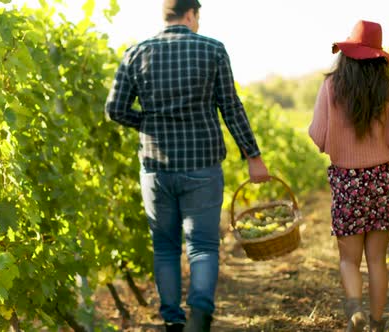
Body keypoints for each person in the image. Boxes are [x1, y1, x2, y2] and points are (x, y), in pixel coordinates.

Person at [105, 0, 270, 331]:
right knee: (203, 246)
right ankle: (199, 316)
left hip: (155, 167)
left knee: (165, 248)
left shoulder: (136, 53)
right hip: (202, 165)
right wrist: (253, 155)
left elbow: (114, 109)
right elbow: (231, 107)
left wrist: (149, 122)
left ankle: (172, 322)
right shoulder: (212, 49)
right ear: (191, 14)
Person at [308, 20, 389, 332]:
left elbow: (317, 136)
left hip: (347, 183)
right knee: (377, 260)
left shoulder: (332, 88)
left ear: (347, 54)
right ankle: (376, 322)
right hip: (384, 182)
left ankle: (354, 311)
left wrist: (340, 140)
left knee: (348, 259)